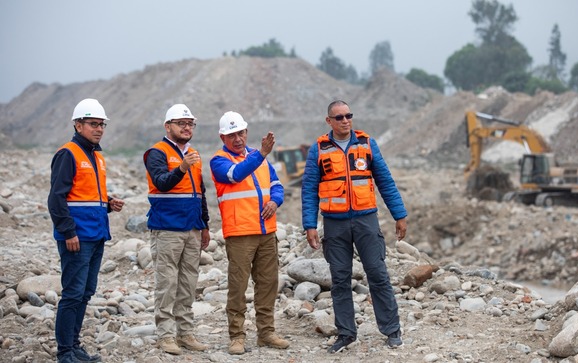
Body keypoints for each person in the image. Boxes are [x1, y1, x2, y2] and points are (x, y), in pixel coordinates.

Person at [301, 100, 408, 353]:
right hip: (334, 225)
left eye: (348, 115)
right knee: (339, 280)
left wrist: (399, 214)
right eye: (339, 117)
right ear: (329, 121)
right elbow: (309, 190)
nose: (345, 120)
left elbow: (385, 181)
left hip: (366, 221)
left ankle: (392, 330)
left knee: (378, 274)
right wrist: (310, 225)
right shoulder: (318, 149)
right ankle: (346, 334)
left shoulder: (367, 144)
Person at [48, 98, 125, 363]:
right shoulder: (67, 154)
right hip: (77, 238)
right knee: (72, 294)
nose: (99, 129)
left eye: (101, 124)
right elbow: (56, 199)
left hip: (96, 234)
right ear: (78, 124)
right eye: (93, 124)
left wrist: (108, 204)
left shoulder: (96, 156)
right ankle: (64, 353)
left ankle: (75, 346)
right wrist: (68, 232)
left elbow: (84, 196)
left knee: (85, 293)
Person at [210, 111, 290, 355]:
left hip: (266, 230)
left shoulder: (259, 157)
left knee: (267, 284)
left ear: (246, 132)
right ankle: (237, 336)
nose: (237, 139)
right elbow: (235, 175)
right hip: (240, 232)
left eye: (241, 133)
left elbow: (276, 186)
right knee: (238, 286)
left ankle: (266, 333)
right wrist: (262, 154)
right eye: (231, 135)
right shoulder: (218, 160)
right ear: (222, 137)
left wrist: (275, 202)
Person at [143, 104, 211, 355]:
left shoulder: (193, 153)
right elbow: (161, 183)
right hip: (167, 228)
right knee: (167, 283)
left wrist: (204, 224)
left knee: (188, 283)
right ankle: (165, 336)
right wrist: (182, 167)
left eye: (190, 123)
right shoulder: (156, 153)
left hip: (192, 227)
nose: (186, 127)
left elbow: (200, 192)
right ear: (167, 126)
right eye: (181, 123)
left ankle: (185, 333)